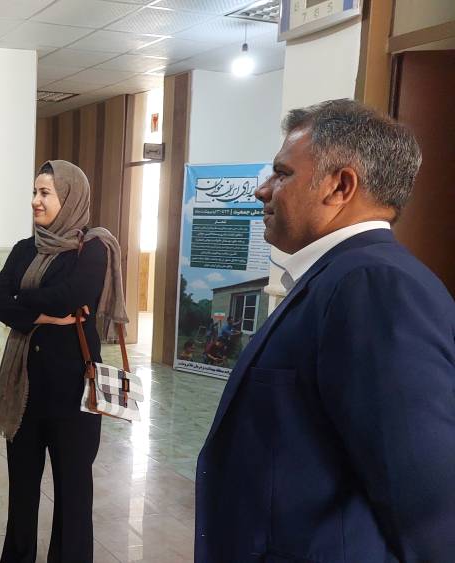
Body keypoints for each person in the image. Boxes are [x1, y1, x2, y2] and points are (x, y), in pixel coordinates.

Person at [195, 99, 455, 562]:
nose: (261, 190)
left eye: (282, 174)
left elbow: (427, 502)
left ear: (340, 186)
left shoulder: (373, 285)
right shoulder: (335, 277)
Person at [0, 160, 128, 562]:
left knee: (73, 493)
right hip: (25, 390)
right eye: (35, 192)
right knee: (22, 491)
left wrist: (23, 302)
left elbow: (73, 295)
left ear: (70, 197)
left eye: (45, 193)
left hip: (75, 392)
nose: (36, 200)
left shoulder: (94, 248)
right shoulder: (25, 248)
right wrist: (45, 316)